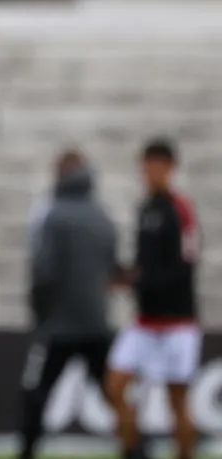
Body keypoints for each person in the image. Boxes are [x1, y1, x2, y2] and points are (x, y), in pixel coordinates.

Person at [18, 149, 123, 459]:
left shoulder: (53, 216)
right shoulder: (103, 216)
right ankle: (137, 450)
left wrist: (39, 317)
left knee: (36, 396)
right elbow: (113, 272)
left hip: (58, 326)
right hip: (96, 324)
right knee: (114, 396)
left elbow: (43, 272)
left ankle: (27, 452)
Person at [105, 138, 201, 459]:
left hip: (176, 322)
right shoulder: (145, 208)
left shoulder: (180, 209)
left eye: (156, 166)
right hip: (145, 322)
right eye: (145, 166)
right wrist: (124, 276)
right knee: (114, 385)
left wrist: (139, 281)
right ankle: (134, 449)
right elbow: (143, 265)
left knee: (177, 401)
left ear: (170, 168)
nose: (149, 173)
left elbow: (183, 266)